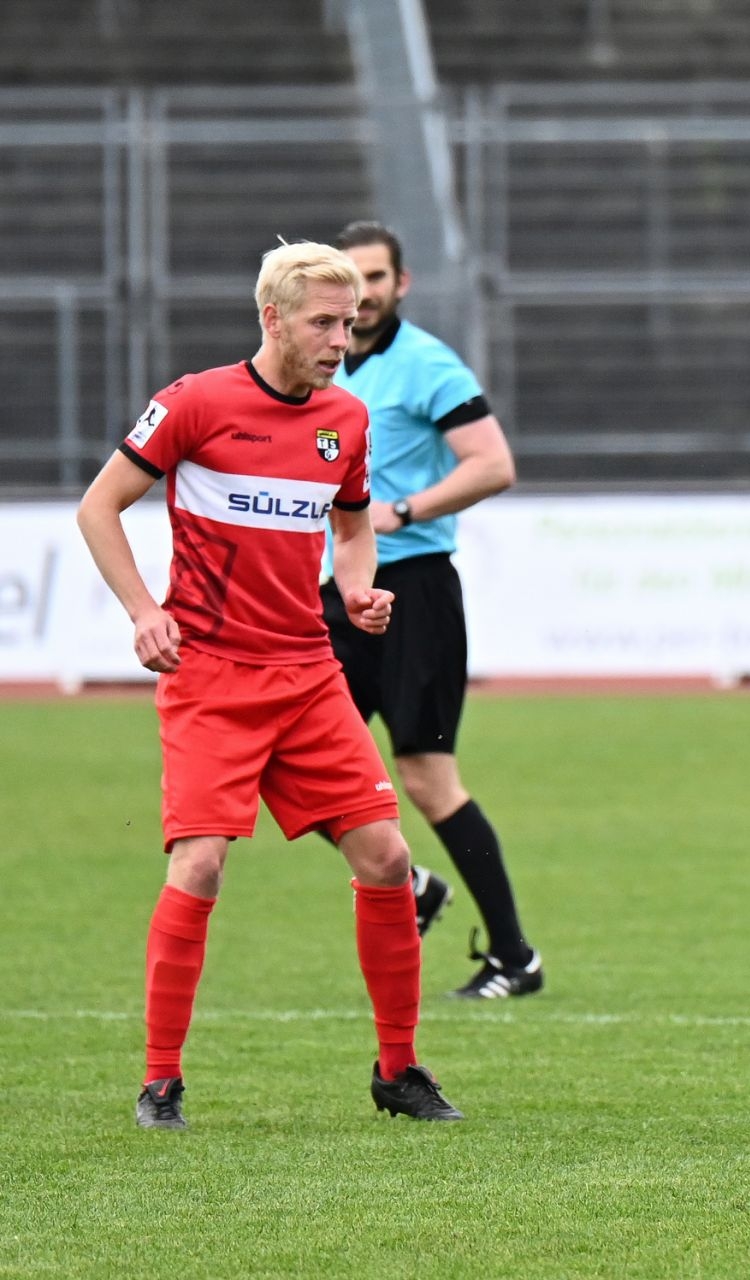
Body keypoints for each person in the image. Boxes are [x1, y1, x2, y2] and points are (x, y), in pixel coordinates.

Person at [74, 241, 463, 1129]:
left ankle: (398, 1070)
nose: (340, 338)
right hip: (210, 675)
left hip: (307, 674)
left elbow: (354, 528)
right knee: (202, 864)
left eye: (351, 321)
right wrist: (143, 611)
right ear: (272, 318)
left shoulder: (346, 420)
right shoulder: (194, 403)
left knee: (390, 860)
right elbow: (99, 508)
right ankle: (161, 1080)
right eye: (323, 322)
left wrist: (358, 587)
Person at [323, 221, 541, 999]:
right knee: (298, 757)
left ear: (401, 283)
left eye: (378, 277)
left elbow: (495, 464)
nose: (366, 292)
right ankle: (412, 884)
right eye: (352, 279)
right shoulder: (316, 367)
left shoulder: (425, 364)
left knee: (427, 779)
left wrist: (404, 509)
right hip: (333, 595)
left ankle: (516, 958)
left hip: (413, 589)